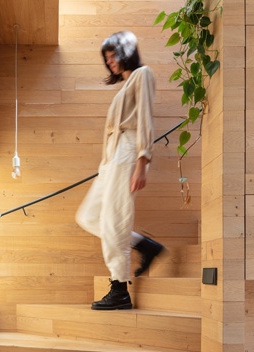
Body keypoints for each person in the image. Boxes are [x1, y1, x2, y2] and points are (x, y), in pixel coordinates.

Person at [76, 31, 165, 311]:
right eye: (107, 58)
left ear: (127, 51)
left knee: (115, 219)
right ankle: (143, 245)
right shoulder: (123, 87)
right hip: (111, 159)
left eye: (114, 54)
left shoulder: (143, 75)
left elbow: (146, 119)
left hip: (127, 152)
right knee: (89, 217)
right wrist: (105, 163)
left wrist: (143, 161)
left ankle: (119, 289)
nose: (111, 61)